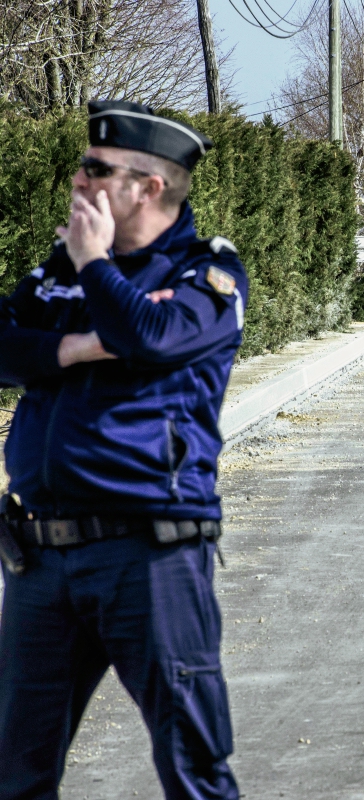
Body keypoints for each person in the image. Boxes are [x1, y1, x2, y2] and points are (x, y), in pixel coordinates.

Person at [0, 101, 246, 799]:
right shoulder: (61, 269)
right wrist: (73, 346)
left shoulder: (208, 274)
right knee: (15, 774)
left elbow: (150, 336)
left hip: (148, 554)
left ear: (150, 187)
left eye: (97, 170)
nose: (79, 180)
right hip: (41, 556)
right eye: (83, 165)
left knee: (192, 770)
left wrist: (98, 267)